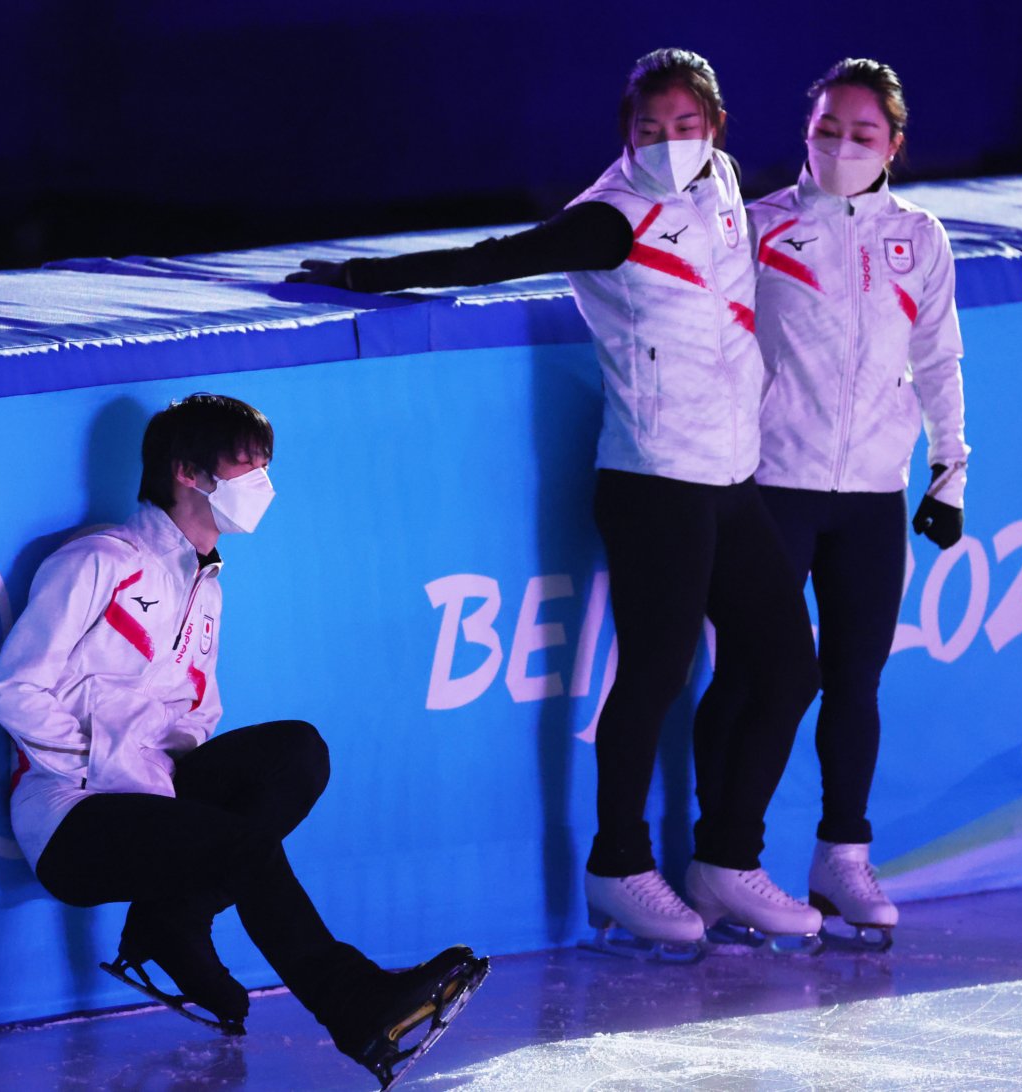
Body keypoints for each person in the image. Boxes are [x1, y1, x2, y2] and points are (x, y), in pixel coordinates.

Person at [289, 48, 824, 956]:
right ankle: (619, 866)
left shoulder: (726, 181)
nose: (668, 145)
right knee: (652, 677)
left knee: (788, 666)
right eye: (648, 131)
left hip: (733, 475)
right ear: (625, 134)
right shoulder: (611, 219)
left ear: (718, 130)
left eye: (684, 129)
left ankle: (727, 856)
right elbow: (492, 257)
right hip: (655, 480)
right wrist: (356, 276)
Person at [0, 393, 488, 1087]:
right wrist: (104, 762)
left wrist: (172, 786)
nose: (262, 483)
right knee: (243, 845)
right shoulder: (100, 562)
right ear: (189, 472)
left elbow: (198, 715)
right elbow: (12, 689)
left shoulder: (208, 581)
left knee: (297, 752)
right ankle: (357, 1005)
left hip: (154, 793)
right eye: (247, 465)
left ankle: (172, 922)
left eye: (265, 466)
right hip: (74, 813)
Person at [695, 58, 968, 948]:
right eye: (826, 130)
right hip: (772, 487)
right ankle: (722, 861)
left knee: (856, 681)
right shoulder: (761, 227)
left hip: (871, 498)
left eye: (862, 133)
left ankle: (841, 854)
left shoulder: (918, 236)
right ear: (803, 132)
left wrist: (948, 471)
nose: (842, 146)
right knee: (750, 679)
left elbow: (937, 362)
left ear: (894, 144)